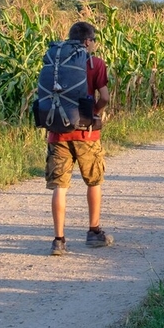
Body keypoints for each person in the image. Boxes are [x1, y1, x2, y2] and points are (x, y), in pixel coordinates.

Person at [46, 21, 114, 256]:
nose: (94, 44)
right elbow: (104, 96)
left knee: (60, 187)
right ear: (87, 41)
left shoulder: (54, 62)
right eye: (93, 40)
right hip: (87, 133)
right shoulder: (96, 64)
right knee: (94, 182)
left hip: (57, 131)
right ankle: (94, 232)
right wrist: (94, 113)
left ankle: (58, 240)